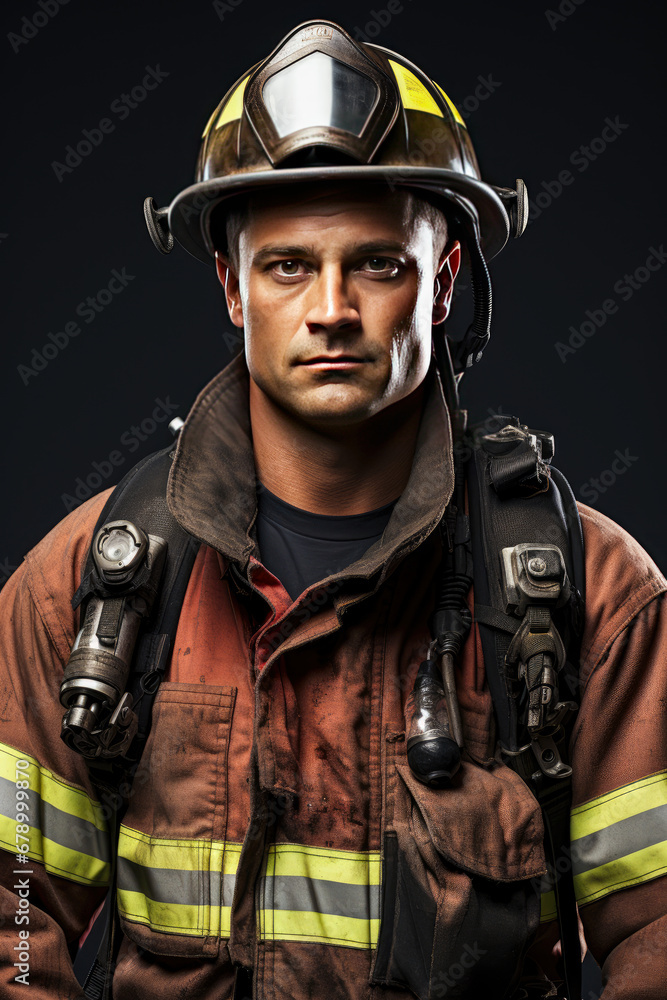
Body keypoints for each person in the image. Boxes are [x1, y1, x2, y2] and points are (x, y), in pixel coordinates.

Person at [1, 18, 666, 1000]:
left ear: (442, 285)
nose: (331, 308)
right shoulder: (87, 588)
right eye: (286, 265)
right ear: (231, 285)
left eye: (378, 263)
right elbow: (14, 923)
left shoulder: (587, 595)